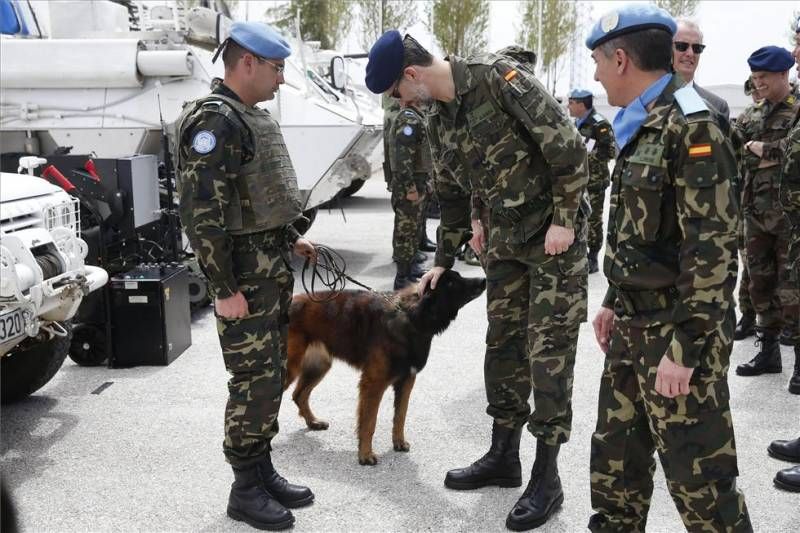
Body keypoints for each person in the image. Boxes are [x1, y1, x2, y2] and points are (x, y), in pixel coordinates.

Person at [365, 30, 589, 531]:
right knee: (504, 346)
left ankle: (546, 477)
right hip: (507, 243)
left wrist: (566, 219)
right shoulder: (435, 117)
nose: (399, 103)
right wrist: (444, 257)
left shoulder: (500, 80)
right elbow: (449, 191)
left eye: (397, 93)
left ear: (412, 75)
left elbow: (568, 148)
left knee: (548, 353)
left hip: (553, 240)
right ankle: (503, 456)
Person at [586, 4, 752, 531]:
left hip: (678, 335)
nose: (593, 76)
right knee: (615, 475)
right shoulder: (641, 122)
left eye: (596, 62)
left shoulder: (692, 125)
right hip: (633, 327)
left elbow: (714, 249)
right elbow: (640, 230)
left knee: (702, 488)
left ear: (619, 59)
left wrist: (685, 346)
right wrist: (614, 296)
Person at [175, 21, 316, 531]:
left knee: (271, 375)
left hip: (268, 269)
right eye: (277, 69)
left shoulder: (246, 118)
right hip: (243, 281)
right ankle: (244, 488)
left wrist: (288, 237)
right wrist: (224, 289)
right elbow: (203, 215)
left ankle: (261, 469)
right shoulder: (215, 122)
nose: (281, 80)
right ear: (248, 62)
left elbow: (250, 204)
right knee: (252, 381)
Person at [733, 46, 800, 380]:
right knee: (759, 286)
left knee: (794, 291)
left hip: (790, 218)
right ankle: (768, 355)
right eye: (754, 77)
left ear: (784, 75)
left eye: (763, 78)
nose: (757, 84)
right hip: (756, 215)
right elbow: (736, 150)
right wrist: (763, 152)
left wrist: (765, 149)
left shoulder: (797, 110)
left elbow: (794, 156)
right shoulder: (752, 114)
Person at [567, 88, 615, 273]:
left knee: (593, 219)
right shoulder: (576, 123)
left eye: (571, 102)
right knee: (577, 217)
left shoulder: (599, 124)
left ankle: (593, 257)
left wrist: (584, 158)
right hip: (577, 181)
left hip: (594, 181)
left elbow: (609, 151)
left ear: (581, 104)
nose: (568, 106)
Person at [387, 102, 432, 289]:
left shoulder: (416, 116)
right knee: (405, 231)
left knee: (413, 229)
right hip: (410, 185)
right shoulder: (409, 119)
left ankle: (411, 267)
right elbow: (403, 157)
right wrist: (410, 188)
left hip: (418, 181)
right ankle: (402, 277)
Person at [733, 76, 764, 341]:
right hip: (747, 203)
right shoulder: (745, 119)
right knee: (750, 263)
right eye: (752, 89)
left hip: (780, 205)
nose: (755, 94)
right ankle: (749, 315)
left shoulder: (790, 113)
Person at [672, 18, 731, 135]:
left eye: (697, 48)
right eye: (682, 46)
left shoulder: (717, 106)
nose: (690, 53)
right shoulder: (649, 98)